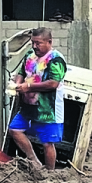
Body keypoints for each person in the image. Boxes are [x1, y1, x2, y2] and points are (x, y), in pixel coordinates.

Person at [8, 28, 67, 171]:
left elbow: (53, 83)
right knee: (14, 129)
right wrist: (17, 84)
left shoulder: (56, 59)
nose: (34, 46)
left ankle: (50, 172)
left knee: (47, 142)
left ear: (49, 42)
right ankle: (34, 160)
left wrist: (28, 87)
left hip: (48, 109)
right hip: (28, 107)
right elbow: (21, 72)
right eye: (33, 43)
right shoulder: (30, 56)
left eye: (38, 43)